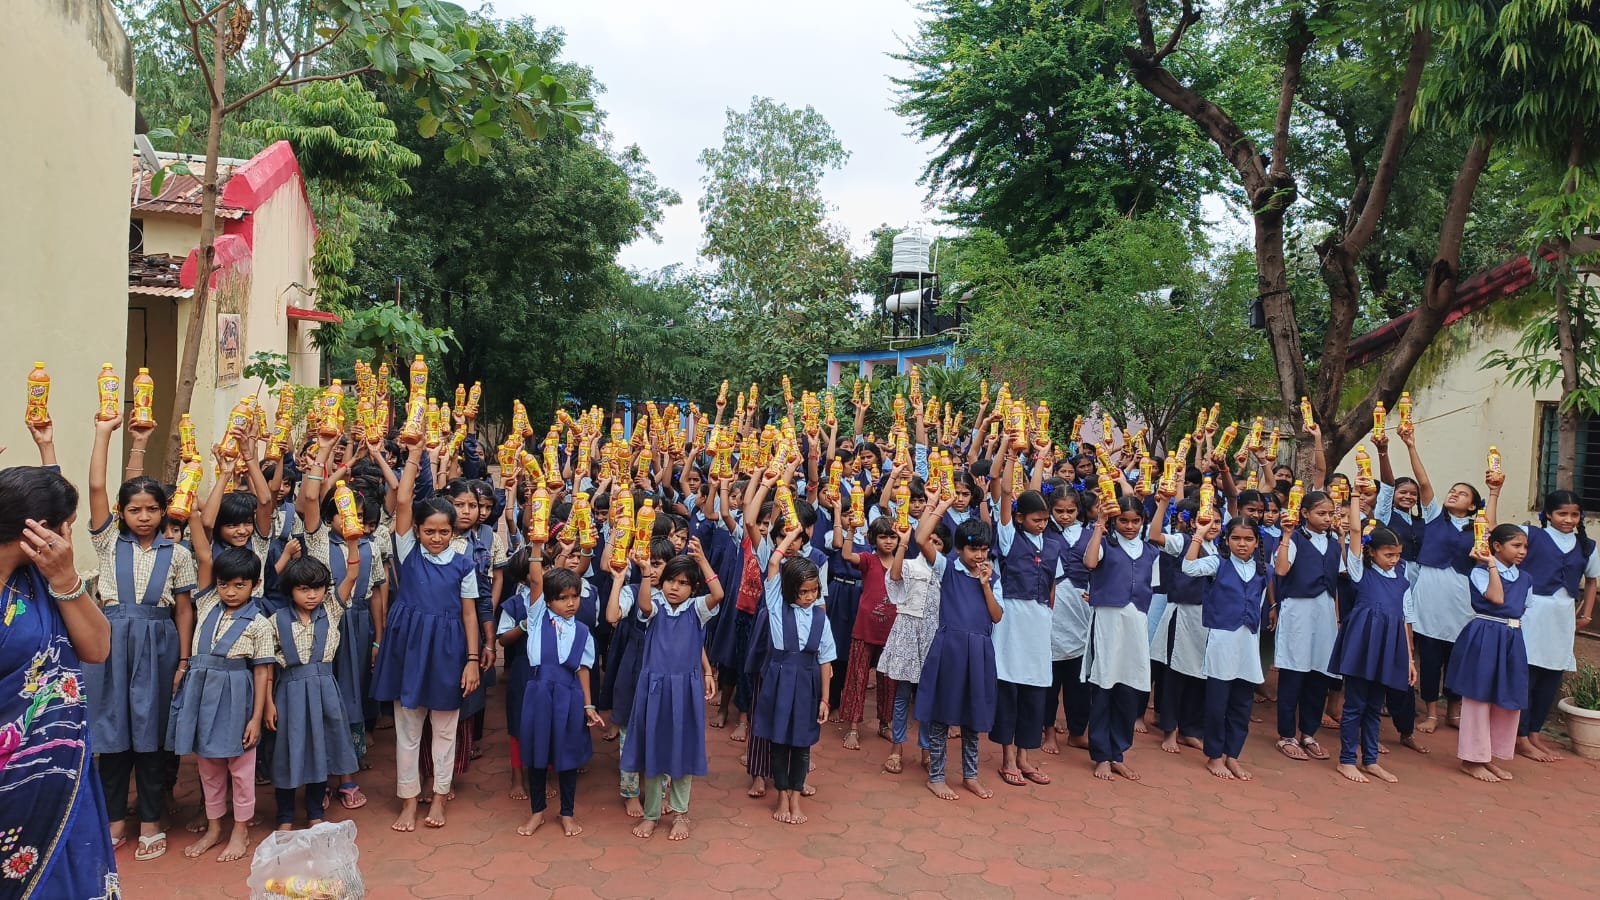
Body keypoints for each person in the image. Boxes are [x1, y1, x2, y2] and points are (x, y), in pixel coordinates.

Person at [0, 449, 116, 895]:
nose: (69, 537)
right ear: (39, 531)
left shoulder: (39, 579)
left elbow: (98, 648)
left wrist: (66, 580)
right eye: (66, 526)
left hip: (59, 775)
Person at [85, 411, 196, 861]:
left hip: (159, 644)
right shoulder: (109, 543)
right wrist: (111, 436)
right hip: (112, 642)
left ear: (165, 510)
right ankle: (114, 818)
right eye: (134, 509)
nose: (144, 516)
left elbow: (184, 610)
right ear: (121, 512)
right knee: (112, 734)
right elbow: (97, 487)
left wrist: (183, 660)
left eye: (152, 509)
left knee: (151, 735)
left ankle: (151, 818)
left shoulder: (179, 553)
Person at [368, 440, 480, 832]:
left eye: (444, 531)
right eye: (429, 531)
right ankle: (408, 801)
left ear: (453, 531)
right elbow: (402, 500)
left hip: (448, 650)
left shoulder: (464, 564)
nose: (436, 537)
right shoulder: (407, 551)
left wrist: (472, 660)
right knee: (408, 730)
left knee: (445, 730)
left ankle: (440, 797)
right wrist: (415, 456)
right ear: (416, 530)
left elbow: (469, 614)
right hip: (409, 648)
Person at [169, 546, 273, 860]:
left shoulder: (259, 624)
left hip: (236, 698)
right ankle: (214, 828)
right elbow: (203, 553)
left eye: (240, 585)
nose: (230, 591)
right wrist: (196, 519)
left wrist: (255, 717)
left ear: (256, 585)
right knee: (208, 767)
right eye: (224, 584)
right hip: (201, 696)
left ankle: (240, 830)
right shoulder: (207, 603)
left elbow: (262, 671)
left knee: (241, 769)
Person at [623, 542, 724, 841]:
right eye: (670, 581)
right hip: (654, 688)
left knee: (683, 749)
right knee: (654, 749)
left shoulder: (697, 609)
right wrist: (645, 573)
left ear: (693, 589)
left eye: (683, 583)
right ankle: (652, 814)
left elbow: (718, 594)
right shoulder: (654, 605)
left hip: (686, 690)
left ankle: (680, 812)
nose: (675, 588)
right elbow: (644, 606)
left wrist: (702, 560)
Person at [1328, 489, 1417, 784]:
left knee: (1375, 706)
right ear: (1371, 552)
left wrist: (1409, 659)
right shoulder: (1359, 571)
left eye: (1397, 555)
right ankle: (1346, 760)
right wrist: (1356, 496)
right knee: (1355, 703)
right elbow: (1355, 530)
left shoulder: (1402, 577)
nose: (1394, 560)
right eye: (1388, 555)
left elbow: (1405, 618)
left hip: (1390, 644)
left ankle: (1371, 760)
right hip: (1363, 642)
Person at [1082, 491, 1172, 782]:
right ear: (1114, 520)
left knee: (1129, 688)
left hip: (1135, 624)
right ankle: (1101, 755)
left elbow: (1151, 588)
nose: (1130, 526)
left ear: (1143, 522)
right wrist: (1100, 525)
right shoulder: (1105, 544)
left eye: (1135, 521)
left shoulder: (1150, 552)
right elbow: (1090, 563)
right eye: (1123, 521)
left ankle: (1118, 753)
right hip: (1108, 623)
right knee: (1104, 685)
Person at [992, 449, 1067, 788]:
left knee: (1035, 691)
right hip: (1012, 622)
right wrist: (1012, 457)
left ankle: (1025, 756)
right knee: (1010, 689)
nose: (1042, 524)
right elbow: (1007, 492)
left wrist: (1047, 615)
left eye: (1045, 519)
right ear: (1020, 518)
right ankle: (1008, 757)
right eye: (1036, 519)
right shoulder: (1010, 538)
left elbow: (1052, 585)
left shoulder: (1053, 545)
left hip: (1038, 623)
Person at [267, 556, 360, 830]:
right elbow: (267, 665)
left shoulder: (331, 610)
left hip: (324, 691)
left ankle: (315, 812)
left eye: (317, 588)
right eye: (303, 589)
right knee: (287, 751)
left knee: (322, 749)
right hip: (289, 692)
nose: (311, 595)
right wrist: (269, 703)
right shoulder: (275, 621)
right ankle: (285, 816)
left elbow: (352, 574)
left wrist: (352, 538)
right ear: (290, 590)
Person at [1406, 435, 1489, 734]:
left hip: (1461, 600)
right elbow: (1423, 482)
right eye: (1453, 490)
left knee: (1458, 658)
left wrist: (1494, 491)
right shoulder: (1433, 518)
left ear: (1472, 506)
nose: (1454, 494)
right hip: (1430, 595)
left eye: (1462, 494)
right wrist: (1411, 445)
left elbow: (1490, 527)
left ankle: (1454, 711)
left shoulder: (1479, 528)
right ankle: (1431, 713)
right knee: (1429, 657)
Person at [915, 518, 1002, 800]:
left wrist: (986, 586)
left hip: (979, 652)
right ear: (959, 549)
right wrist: (938, 505)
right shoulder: (948, 569)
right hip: (950, 651)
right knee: (942, 714)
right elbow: (921, 539)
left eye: (984, 550)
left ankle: (971, 776)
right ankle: (936, 777)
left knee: (973, 716)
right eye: (973, 549)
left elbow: (997, 616)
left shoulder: (993, 578)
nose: (979, 556)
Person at [514, 568, 603, 837]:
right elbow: (536, 579)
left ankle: (567, 813)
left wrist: (588, 705)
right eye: (563, 598)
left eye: (575, 597)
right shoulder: (537, 617)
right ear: (548, 600)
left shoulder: (583, 632)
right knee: (537, 754)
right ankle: (537, 811)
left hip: (570, 696)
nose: (570, 603)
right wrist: (537, 548)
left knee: (567, 755)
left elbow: (584, 669)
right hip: (539, 694)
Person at [753, 529, 835, 825]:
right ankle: (782, 795)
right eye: (803, 592)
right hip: (779, 680)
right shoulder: (777, 606)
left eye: (814, 591)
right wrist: (792, 535)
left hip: (807, 684)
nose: (810, 597)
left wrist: (825, 699)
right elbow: (774, 563)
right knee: (778, 741)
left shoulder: (821, 618)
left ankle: (796, 797)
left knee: (801, 745)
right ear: (789, 591)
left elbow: (825, 659)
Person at [1182, 516, 1269, 781]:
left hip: (1247, 643)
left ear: (1257, 542)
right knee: (1217, 704)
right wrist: (1198, 535)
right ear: (1227, 540)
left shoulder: (1262, 569)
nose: (1242, 544)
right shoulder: (1217, 563)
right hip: (1222, 641)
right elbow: (1188, 568)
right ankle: (1214, 755)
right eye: (1236, 538)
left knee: (1242, 704)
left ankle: (1233, 755)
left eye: (1248, 539)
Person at [1515, 490, 1599, 761]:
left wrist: (1586, 615)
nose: (1568, 519)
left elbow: (1591, 582)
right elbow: (1494, 533)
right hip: (1532, 612)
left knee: (1551, 677)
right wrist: (1495, 492)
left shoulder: (1587, 546)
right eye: (1562, 513)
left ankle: (1535, 732)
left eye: (1574, 514)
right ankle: (1520, 736)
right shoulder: (1530, 535)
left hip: (1562, 618)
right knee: (1527, 675)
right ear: (1548, 515)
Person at [1447, 522, 1526, 784]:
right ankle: (1471, 759)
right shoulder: (1480, 572)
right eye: (1516, 545)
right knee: (1478, 697)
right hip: (1485, 634)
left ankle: (1489, 755)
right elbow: (1497, 598)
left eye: (1525, 546)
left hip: (1511, 638)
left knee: (1505, 697)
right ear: (1497, 546)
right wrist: (1491, 563)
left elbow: (1521, 609)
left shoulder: (1526, 578)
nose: (1522, 551)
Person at [879, 504, 951, 775]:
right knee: (902, 693)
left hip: (933, 634)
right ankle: (896, 748)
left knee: (927, 695)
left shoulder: (945, 570)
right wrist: (902, 544)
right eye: (928, 539)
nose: (931, 545)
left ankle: (926, 749)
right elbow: (895, 577)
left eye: (937, 542)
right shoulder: (909, 564)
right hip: (907, 631)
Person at [1270, 490, 1339, 762]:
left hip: (1324, 614)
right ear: (1305, 513)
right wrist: (1286, 537)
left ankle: (1309, 733)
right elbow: (1281, 570)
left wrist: (1337, 618)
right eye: (1321, 513)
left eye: (1330, 514)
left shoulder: (1334, 543)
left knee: (1319, 675)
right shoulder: (1295, 539)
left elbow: (1337, 584)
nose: (1327, 518)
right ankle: (1286, 734)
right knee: (1294, 673)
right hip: (1298, 612)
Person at [833, 513, 897, 751]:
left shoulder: (903, 562)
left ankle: (885, 723)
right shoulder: (869, 560)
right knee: (857, 678)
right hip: (864, 627)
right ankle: (853, 728)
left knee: (889, 680)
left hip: (892, 631)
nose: (888, 541)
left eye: (893, 536)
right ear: (873, 539)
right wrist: (851, 530)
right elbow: (846, 555)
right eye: (883, 537)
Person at [1153, 498, 1209, 755]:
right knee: (1175, 674)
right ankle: (1170, 729)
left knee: (1200, 676)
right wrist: (1163, 504)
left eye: (1217, 521)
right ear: (1193, 521)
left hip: (1207, 620)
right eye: (1206, 519)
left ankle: (1191, 729)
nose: (1212, 525)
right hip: (1183, 615)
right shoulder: (1182, 541)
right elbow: (1155, 536)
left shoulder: (1223, 548)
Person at [1043, 484, 1092, 754]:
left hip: (1080, 609)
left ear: (1078, 510)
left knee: (1079, 682)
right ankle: (1048, 730)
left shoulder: (1090, 534)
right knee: (1050, 681)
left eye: (1070, 511)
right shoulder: (1044, 533)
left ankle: (1077, 731)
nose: (1065, 516)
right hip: (1053, 608)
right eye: (1059, 511)